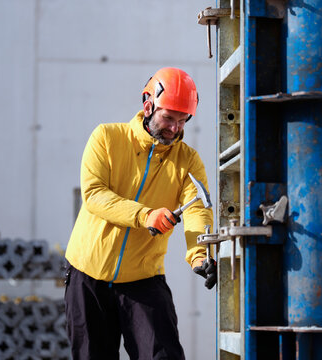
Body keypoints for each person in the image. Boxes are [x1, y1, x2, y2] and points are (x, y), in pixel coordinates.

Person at [64, 67, 217, 360]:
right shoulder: (107, 138)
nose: (175, 128)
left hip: (143, 278)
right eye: (169, 118)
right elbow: (95, 195)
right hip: (88, 276)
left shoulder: (188, 161)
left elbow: (197, 207)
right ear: (148, 106)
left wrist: (199, 254)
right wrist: (145, 215)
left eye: (183, 120)